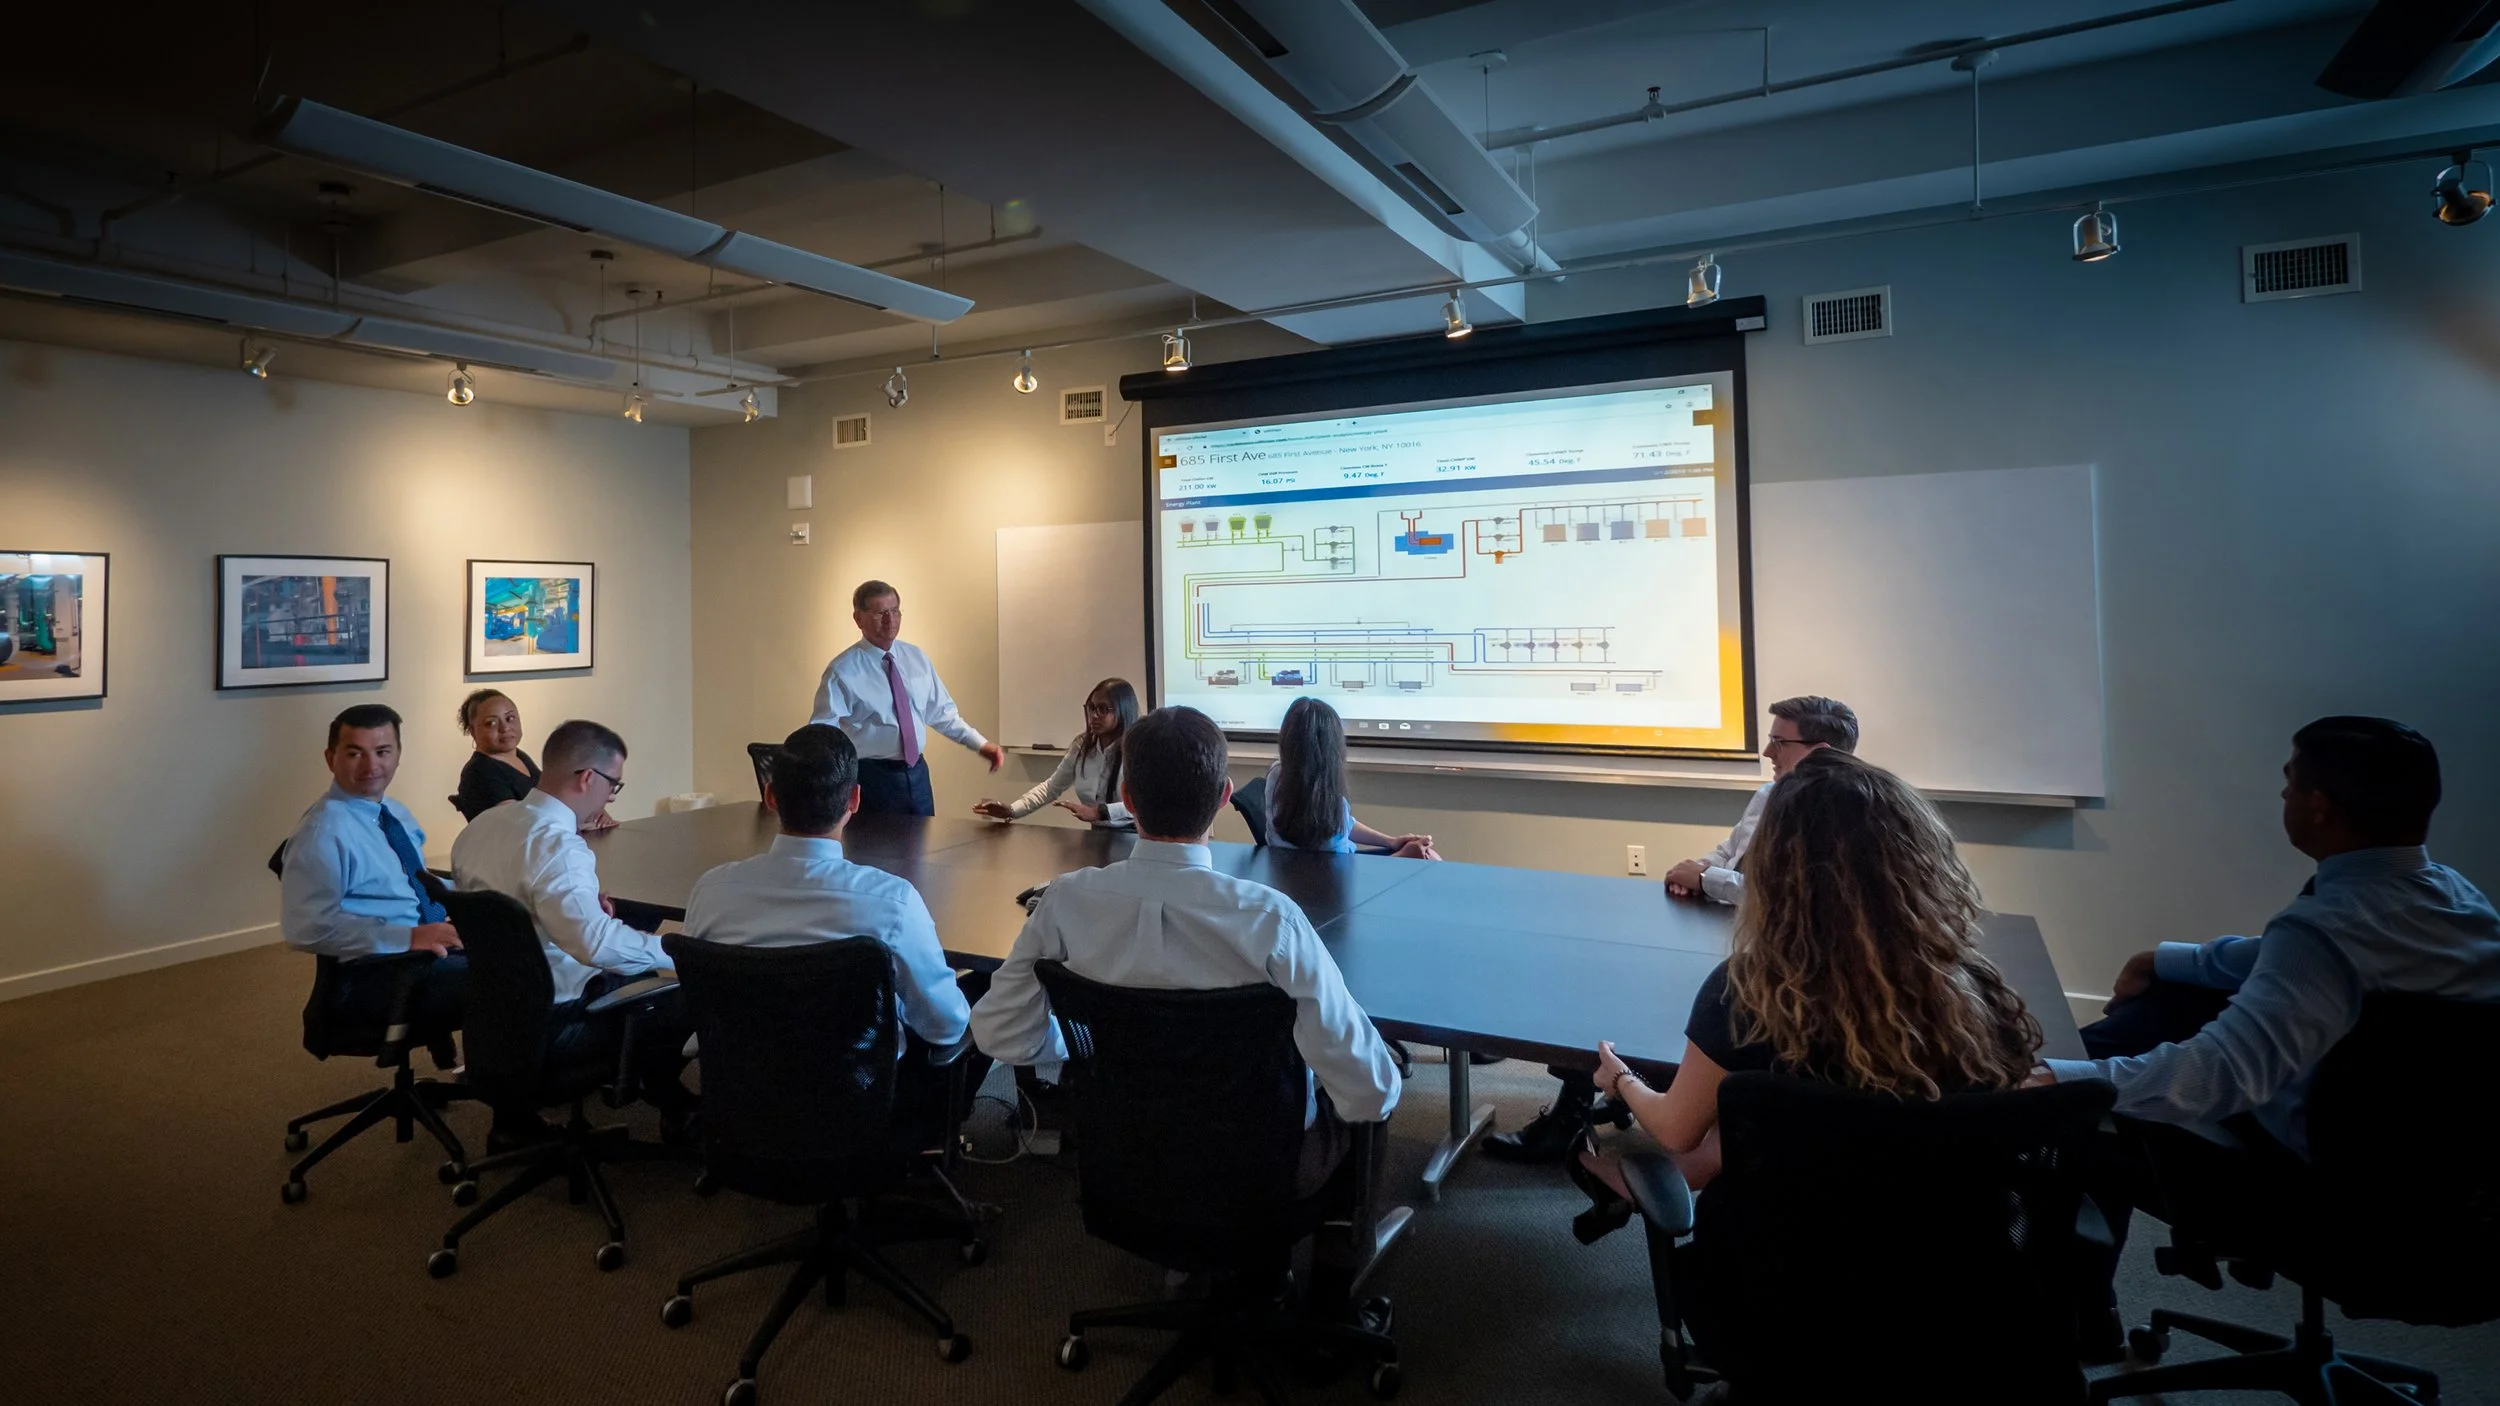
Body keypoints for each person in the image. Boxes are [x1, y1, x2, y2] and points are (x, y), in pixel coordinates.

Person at [2037, 717, 2500, 1350]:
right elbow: (2281, 959)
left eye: (2289, 783)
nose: (2283, 795)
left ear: (2319, 805)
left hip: (2322, 1197)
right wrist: (2164, 958)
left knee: (2075, 1117)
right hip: (2441, 1185)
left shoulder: (2324, 930)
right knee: (2171, 1001)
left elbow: (2218, 1075)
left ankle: (2083, 1320)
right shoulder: (2458, 902)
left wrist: (2063, 1080)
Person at [970, 705, 1402, 1320]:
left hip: (1124, 1152)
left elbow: (1000, 1031)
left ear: (1126, 797)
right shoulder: (1271, 921)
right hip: (1259, 1167)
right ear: (1225, 796)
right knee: (1376, 1083)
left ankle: (1192, 1255)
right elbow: (1369, 1091)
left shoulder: (1064, 903)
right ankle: (1331, 1310)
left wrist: (1087, 1047)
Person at [1576, 749, 2040, 1222]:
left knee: (1757, 1102)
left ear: (1777, 873)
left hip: (1782, 1254)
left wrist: (1620, 1079)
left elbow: (1676, 1129)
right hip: (1961, 1241)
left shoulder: (1751, 990)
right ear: (1921, 858)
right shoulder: (1974, 987)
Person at [1486, 693, 1861, 1163]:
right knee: (1604, 969)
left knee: (1678, 1002)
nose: (1767, 752)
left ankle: (1613, 1099)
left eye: (1779, 743)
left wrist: (1706, 880)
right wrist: (1698, 869)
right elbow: (1731, 853)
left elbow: (1781, 892)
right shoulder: (1770, 794)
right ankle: (1588, 1101)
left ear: (1819, 750)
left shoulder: (1836, 816)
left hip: (1766, 945)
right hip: (1721, 927)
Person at [686, 723, 992, 1135]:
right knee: (984, 987)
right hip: (861, 1105)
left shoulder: (711, 891)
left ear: (770, 796)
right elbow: (945, 1026)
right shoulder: (893, 902)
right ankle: (928, 1139)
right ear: (855, 799)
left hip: (743, 1097)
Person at [449, 718, 694, 1139]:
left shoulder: (480, 828)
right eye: (613, 785)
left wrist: (582, 910)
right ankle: (676, 1106)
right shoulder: (557, 846)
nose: (610, 796)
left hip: (495, 1019)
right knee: (688, 993)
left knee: (633, 967)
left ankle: (511, 1125)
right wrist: (679, 951)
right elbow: (595, 945)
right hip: (558, 1025)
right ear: (587, 778)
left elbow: (509, 916)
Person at [279, 703, 467, 1033]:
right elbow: (304, 929)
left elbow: (412, 882)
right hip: (381, 972)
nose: (371, 766)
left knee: (526, 945)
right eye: (355, 754)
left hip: (425, 946)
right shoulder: (323, 834)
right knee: (514, 977)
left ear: (398, 755)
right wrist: (408, 936)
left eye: (382, 752)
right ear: (331, 758)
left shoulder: (395, 812)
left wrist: (474, 898)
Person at [809, 579, 1004, 818]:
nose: (890, 620)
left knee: (925, 840)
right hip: (871, 777)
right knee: (876, 843)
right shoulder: (843, 670)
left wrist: (980, 744)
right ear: (858, 619)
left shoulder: (916, 658)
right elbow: (823, 732)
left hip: (917, 774)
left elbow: (942, 714)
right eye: (880, 613)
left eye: (895, 611)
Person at [1264, 696, 1436, 858]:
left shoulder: (1276, 775)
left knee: (1425, 855)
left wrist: (1391, 841)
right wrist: (1404, 855)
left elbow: (1345, 824)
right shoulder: (1327, 803)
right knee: (1429, 857)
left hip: (1291, 869)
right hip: (1330, 874)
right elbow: (1346, 872)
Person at [972, 677, 1138, 829]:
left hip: (1134, 835)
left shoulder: (1137, 750)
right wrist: (1012, 810)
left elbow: (1144, 803)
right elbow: (1051, 788)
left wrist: (1100, 812)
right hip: (1097, 834)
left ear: (1123, 710)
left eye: (1103, 709)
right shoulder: (1082, 747)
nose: (1094, 715)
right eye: (1091, 708)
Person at [452, 689, 614, 830]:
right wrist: (577, 822)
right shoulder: (479, 772)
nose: (505, 728)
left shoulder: (519, 756)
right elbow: (520, 824)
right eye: (492, 723)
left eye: (510, 718)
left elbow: (552, 799)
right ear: (472, 731)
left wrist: (591, 810)